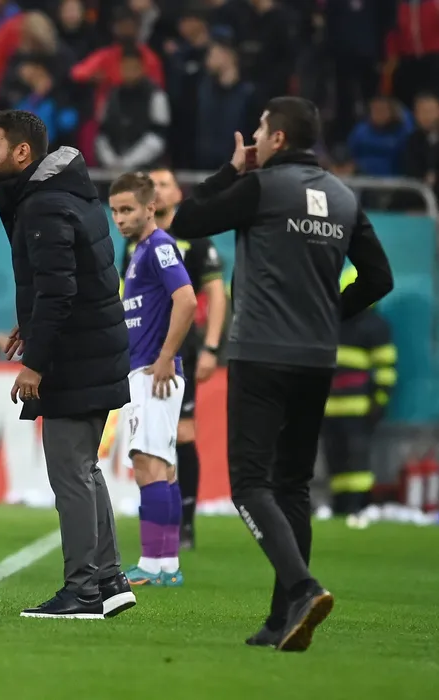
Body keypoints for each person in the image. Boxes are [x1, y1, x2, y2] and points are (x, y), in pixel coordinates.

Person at [171, 96, 394, 651]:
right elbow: (379, 278)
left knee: (250, 484)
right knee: (293, 485)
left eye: (260, 130)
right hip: (317, 358)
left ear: (276, 138)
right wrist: (330, 314)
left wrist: (231, 170)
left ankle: (302, 588)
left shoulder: (262, 187)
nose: (254, 139)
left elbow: (186, 221)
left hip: (261, 354)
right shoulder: (343, 196)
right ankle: (282, 620)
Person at [0, 109, 136, 620]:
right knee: (85, 469)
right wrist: (29, 322)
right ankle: (109, 579)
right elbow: (71, 277)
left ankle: (83, 590)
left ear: (22, 152)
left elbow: (58, 291)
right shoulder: (67, 193)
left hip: (77, 356)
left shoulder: (44, 204)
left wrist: (35, 363)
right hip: (95, 347)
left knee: (70, 473)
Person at [120, 167, 226, 550]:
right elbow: (127, 297)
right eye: (153, 185)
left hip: (177, 350)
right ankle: (162, 540)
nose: (159, 191)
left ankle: (183, 527)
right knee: (154, 446)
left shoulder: (190, 240)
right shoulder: (134, 244)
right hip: (143, 353)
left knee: (178, 438)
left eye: (165, 184)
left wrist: (210, 347)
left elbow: (213, 295)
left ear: (177, 193)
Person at [110, 172, 198, 587]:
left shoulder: (159, 246)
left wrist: (165, 357)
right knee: (161, 465)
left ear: (150, 208)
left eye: (127, 209)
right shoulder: (140, 250)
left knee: (149, 464)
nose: (120, 218)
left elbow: (187, 299)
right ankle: (166, 565)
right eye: (115, 211)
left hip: (154, 372)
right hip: (144, 370)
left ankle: (152, 563)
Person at [321, 264, 396, 529]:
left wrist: (379, 401)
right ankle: (341, 507)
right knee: (336, 460)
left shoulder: (374, 326)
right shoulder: (335, 321)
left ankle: (358, 505)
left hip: (356, 408)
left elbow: (385, 367)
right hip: (331, 408)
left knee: (356, 462)